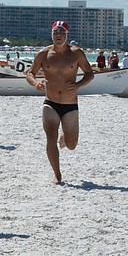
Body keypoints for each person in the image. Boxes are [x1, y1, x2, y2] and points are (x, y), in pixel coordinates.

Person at [25, 21, 94, 184]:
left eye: (62, 32)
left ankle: (65, 137)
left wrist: (78, 85)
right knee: (50, 137)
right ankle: (57, 174)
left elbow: (89, 74)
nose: (58, 35)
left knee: (71, 145)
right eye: (55, 32)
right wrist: (36, 83)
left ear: (67, 35)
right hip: (51, 103)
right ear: (51, 34)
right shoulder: (43, 54)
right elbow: (29, 73)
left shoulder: (76, 53)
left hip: (70, 105)